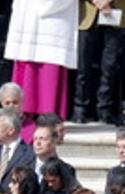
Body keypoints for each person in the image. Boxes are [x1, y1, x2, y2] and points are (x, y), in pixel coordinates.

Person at [3, 1, 78, 133]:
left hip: (54, 20)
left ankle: (48, 120)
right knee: (27, 63)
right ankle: (23, 117)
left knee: (49, 70)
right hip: (28, 14)